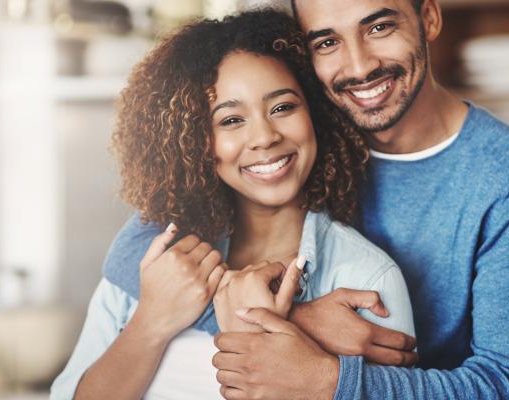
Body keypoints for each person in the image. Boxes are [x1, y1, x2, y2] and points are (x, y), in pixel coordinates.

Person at [103, 0, 509, 399]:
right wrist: (294, 320)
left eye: (379, 26)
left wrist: (327, 379)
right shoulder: (307, 139)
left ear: (428, 17)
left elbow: (508, 387)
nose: (360, 66)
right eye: (326, 42)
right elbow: (135, 254)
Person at [50, 10, 415, 400]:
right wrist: (150, 322)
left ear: (317, 115)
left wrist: (263, 330)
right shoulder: (156, 261)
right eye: (230, 120)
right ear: (194, 141)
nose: (263, 137)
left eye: (282, 108)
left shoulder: (366, 281)